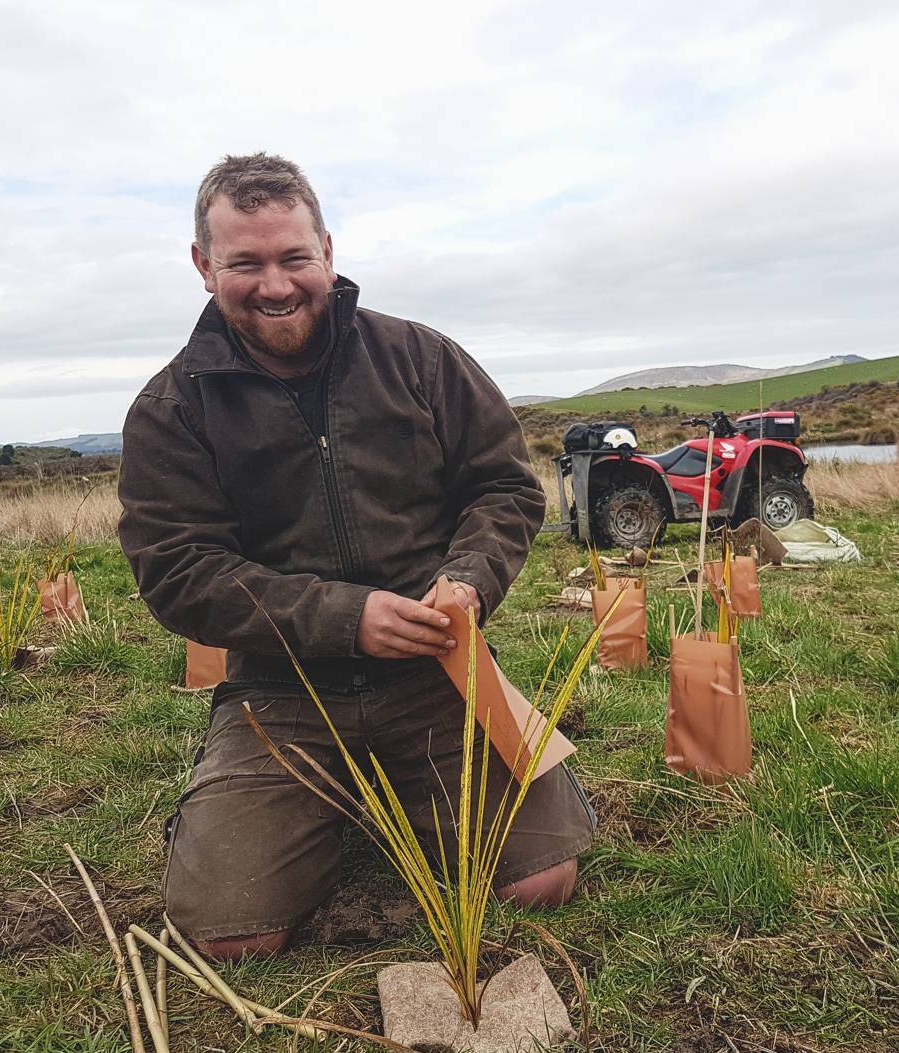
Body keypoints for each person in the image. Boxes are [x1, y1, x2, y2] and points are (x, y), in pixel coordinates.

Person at [118, 153, 597, 959]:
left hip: (438, 673)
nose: (275, 284)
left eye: (293, 258)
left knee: (540, 884)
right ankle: (307, 806)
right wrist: (345, 618)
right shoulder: (172, 409)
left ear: (328, 251)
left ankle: (397, 792)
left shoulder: (422, 358)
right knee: (232, 935)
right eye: (246, 263)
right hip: (283, 691)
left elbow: (505, 490)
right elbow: (178, 570)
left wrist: (470, 578)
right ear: (204, 266)